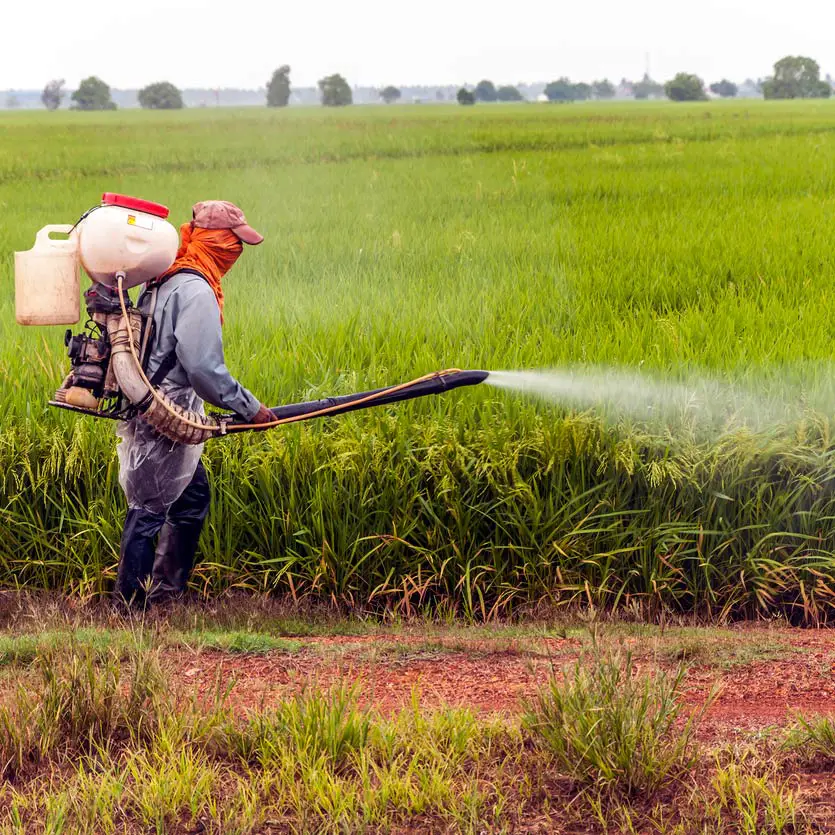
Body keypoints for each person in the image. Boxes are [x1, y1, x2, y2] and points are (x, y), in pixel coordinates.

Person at [115, 200, 274, 607]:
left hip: (156, 405)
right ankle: (128, 608)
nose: (236, 253)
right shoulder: (196, 288)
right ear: (217, 241)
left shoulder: (166, 278)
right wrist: (250, 408)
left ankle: (167, 596)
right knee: (149, 508)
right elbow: (204, 370)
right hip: (164, 416)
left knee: (191, 496)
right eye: (234, 243)